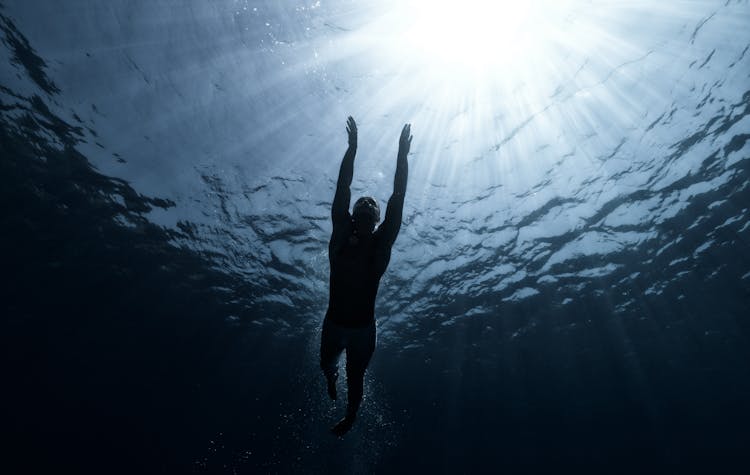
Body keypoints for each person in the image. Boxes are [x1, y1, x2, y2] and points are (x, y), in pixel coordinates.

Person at [320, 116, 411, 436]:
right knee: (327, 367)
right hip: (333, 324)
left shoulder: (382, 243)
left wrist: (402, 156)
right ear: (358, 212)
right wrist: (353, 147)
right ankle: (330, 380)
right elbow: (343, 188)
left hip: (362, 330)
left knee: (355, 377)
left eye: (372, 203)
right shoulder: (341, 234)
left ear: (375, 218)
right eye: (365, 201)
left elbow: (398, 197)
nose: (370, 202)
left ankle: (351, 415)